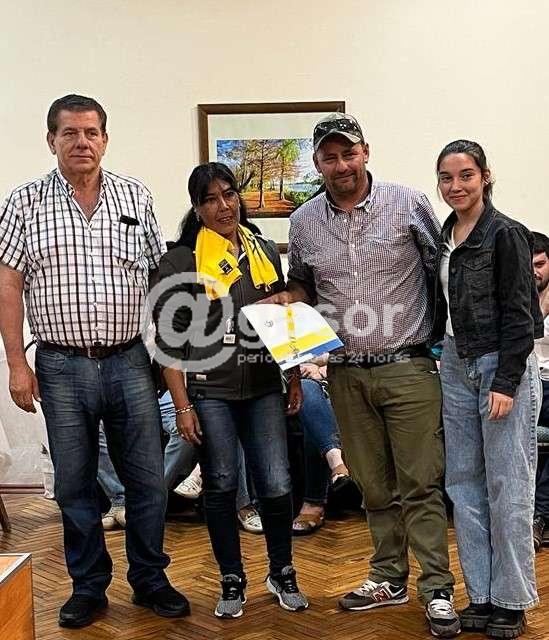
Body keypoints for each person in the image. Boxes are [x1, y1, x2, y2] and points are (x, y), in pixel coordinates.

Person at [264, 113, 458, 638]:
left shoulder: (408, 202)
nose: (341, 164)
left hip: (409, 367)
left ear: (365, 151)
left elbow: (441, 271)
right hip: (346, 372)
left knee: (421, 483)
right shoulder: (304, 221)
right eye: (329, 157)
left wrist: (444, 345)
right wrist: (285, 299)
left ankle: (437, 589)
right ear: (317, 162)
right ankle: (389, 577)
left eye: (348, 153)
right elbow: (304, 286)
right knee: (373, 485)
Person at [0, 94, 189, 628]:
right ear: (51, 140)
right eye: (70, 133)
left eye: (91, 132)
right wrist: (17, 364)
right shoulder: (24, 202)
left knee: (147, 479)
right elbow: (8, 285)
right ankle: (88, 587)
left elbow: (159, 282)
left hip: (130, 361)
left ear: (105, 139)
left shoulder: (135, 196)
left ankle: (150, 579)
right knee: (74, 484)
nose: (81, 142)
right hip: (60, 367)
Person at [153, 162, 308, 618]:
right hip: (209, 390)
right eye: (210, 199)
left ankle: (282, 572)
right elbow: (168, 343)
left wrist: (293, 376)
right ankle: (231, 578)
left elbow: (282, 319)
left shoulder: (263, 250)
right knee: (220, 483)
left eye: (229, 194)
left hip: (263, 386)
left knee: (277, 482)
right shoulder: (182, 260)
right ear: (197, 208)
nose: (223, 206)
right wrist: (182, 406)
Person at [434, 140, 543, 638]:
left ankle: (511, 599)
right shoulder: (446, 234)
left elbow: (522, 315)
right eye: (446, 177)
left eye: (466, 175)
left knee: (508, 485)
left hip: (501, 365)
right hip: (456, 364)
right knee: (463, 484)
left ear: (485, 176)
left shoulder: (506, 233)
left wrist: (506, 381)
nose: (455, 186)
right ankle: (479, 592)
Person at [98, 391, 198, 530]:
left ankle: (149, 497)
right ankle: (120, 500)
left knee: (187, 431)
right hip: (115, 395)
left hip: (161, 395)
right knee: (90, 430)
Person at [531, 231, 549, 551]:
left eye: (540, 264)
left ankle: (540, 516)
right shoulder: (513, 299)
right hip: (525, 385)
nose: (534, 271)